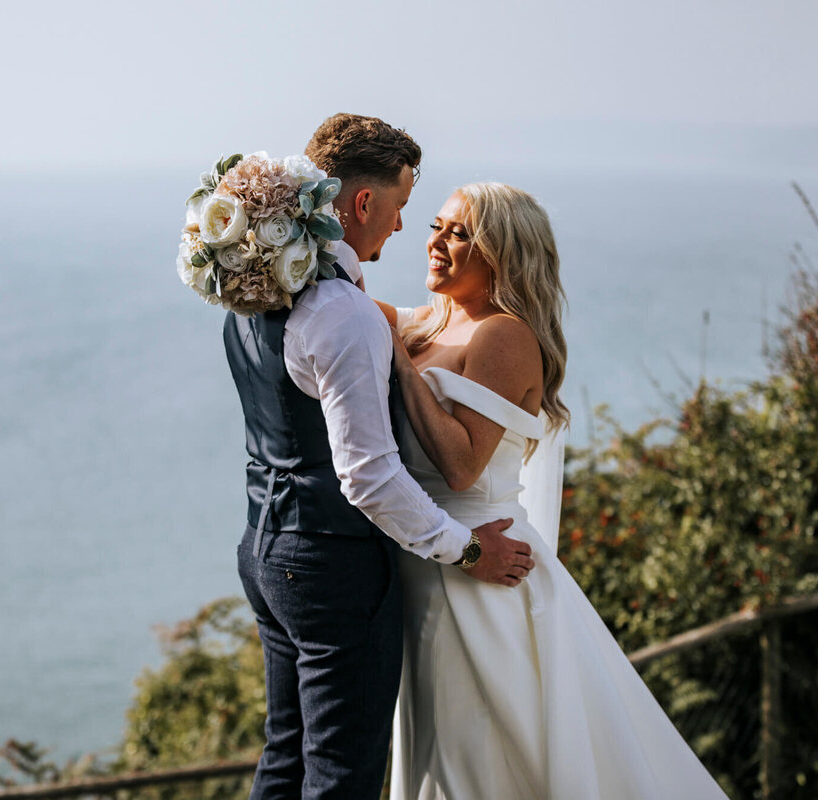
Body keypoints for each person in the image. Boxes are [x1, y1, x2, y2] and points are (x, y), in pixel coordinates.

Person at [376, 183, 727, 799]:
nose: (435, 243)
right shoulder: (431, 322)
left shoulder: (503, 336)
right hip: (432, 567)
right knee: (441, 751)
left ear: (504, 257)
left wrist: (403, 368)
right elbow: (340, 298)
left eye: (460, 234)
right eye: (436, 226)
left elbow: (460, 468)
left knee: (475, 761)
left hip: (480, 576)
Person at [225, 114, 535, 800]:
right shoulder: (344, 314)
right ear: (363, 204)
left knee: (286, 759)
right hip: (333, 565)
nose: (401, 228)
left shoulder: (251, 297)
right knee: (342, 778)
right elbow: (367, 477)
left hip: (263, 547)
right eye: (399, 207)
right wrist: (466, 550)